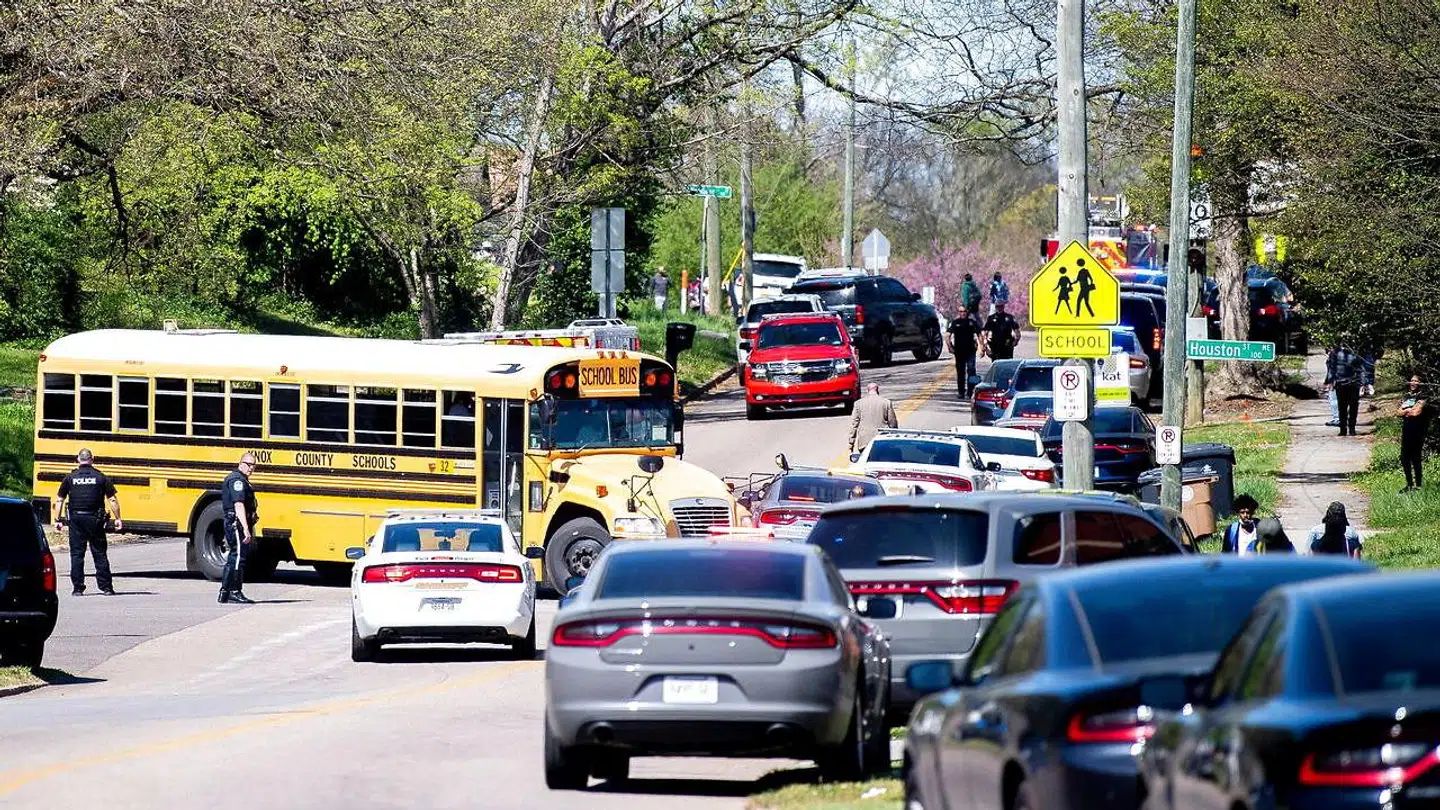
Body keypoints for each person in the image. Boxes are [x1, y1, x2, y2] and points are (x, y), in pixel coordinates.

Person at [54, 448, 120, 596]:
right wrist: (118, 519)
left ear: (78, 459)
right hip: (95, 520)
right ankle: (106, 588)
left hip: (76, 520)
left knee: (77, 554)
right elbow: (113, 499)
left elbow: (59, 500)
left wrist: (58, 520)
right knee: (100, 554)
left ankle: (78, 588)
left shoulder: (70, 478)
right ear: (92, 459)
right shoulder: (101, 477)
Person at [219, 452, 260, 604]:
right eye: (249, 465)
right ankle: (235, 591)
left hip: (235, 521)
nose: (252, 468)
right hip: (236, 523)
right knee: (238, 558)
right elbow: (238, 504)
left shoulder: (241, 479)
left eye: (254, 465)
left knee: (233, 556)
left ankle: (225, 591)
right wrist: (246, 528)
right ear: (241, 463)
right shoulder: (237, 480)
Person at [1324, 344, 1364, 436]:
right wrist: (1362, 383)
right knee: (1352, 407)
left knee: (1343, 408)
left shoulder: (1335, 354)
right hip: (1352, 383)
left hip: (1342, 384)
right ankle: (1351, 429)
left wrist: (1330, 381)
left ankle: (1344, 429)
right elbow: (1361, 369)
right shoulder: (1355, 352)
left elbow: (1331, 369)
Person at [1400, 375, 1430, 492]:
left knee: (1416, 457)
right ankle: (1409, 484)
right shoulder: (1407, 396)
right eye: (1411, 380)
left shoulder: (1423, 396)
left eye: (1416, 381)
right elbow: (1398, 412)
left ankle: (1418, 485)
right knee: (1404, 457)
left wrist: (1406, 410)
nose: (1413, 383)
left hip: (1418, 429)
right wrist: (1407, 411)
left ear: (1421, 383)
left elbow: (1416, 412)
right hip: (1406, 429)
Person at [850, 382, 898, 453]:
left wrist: (851, 443)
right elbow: (892, 424)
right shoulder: (886, 402)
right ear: (877, 390)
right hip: (881, 439)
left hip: (865, 441)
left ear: (868, 391)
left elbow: (854, 425)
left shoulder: (858, 404)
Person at [946, 304, 982, 398]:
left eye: (964, 311)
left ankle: (970, 392)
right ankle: (961, 392)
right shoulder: (955, 323)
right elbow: (948, 335)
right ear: (959, 313)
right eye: (961, 311)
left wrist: (982, 347)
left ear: (967, 312)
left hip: (970, 351)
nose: (963, 313)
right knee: (960, 372)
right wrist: (949, 346)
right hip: (959, 351)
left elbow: (979, 334)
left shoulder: (972, 322)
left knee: (971, 370)